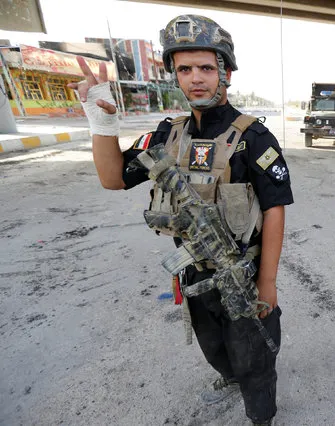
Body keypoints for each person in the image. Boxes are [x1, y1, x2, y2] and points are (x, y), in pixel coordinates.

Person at [69, 14, 293, 426]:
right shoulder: (166, 135)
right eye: (185, 69)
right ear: (175, 74)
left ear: (225, 72)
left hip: (241, 273)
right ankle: (229, 377)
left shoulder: (253, 138)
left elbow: (275, 209)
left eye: (207, 67)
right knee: (212, 345)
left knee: (254, 357)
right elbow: (113, 178)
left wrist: (267, 282)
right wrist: (101, 120)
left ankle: (261, 415)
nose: (196, 78)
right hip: (193, 273)